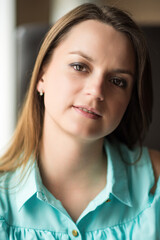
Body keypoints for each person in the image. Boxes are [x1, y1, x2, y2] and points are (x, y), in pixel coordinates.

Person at [0, 3, 160, 240]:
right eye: (79, 66)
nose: (96, 91)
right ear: (42, 75)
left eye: (117, 81)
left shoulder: (155, 186)